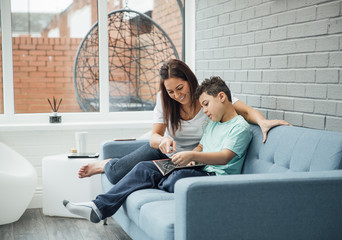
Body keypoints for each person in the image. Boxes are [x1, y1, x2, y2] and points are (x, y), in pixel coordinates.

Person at [63, 76, 253, 223]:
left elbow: (225, 157)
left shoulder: (240, 127)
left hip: (215, 178)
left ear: (221, 97)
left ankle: (157, 180)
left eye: (206, 104)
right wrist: (193, 156)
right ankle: (98, 207)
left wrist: (193, 155)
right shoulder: (213, 123)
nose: (204, 110)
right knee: (144, 168)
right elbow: (202, 145)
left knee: (176, 178)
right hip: (200, 168)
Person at [77, 59, 289, 184]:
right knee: (115, 175)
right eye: (171, 92)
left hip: (193, 161)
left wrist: (262, 122)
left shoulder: (207, 97)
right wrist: (162, 141)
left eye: (180, 88)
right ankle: (106, 164)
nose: (177, 95)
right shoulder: (165, 100)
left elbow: (245, 111)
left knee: (149, 176)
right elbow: (153, 136)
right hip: (164, 151)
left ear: (189, 81)